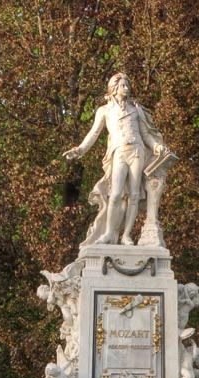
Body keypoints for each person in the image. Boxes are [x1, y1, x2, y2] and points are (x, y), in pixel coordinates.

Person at [63, 73, 173, 247]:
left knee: (134, 195)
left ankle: (126, 235)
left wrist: (156, 146)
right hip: (118, 152)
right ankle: (109, 233)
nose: (127, 88)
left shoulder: (135, 109)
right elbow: (94, 133)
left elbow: (145, 134)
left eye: (127, 86)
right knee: (115, 195)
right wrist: (80, 149)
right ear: (114, 88)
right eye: (123, 86)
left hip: (136, 151)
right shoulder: (104, 111)